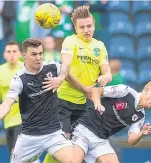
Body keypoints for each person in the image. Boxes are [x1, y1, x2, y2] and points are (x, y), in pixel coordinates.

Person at [0, 38, 78, 163]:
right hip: (29, 137)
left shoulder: (51, 67)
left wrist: (81, 87)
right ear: (24, 55)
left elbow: (66, 70)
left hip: (53, 133)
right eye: (34, 54)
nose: (38, 57)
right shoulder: (19, 79)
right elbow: (7, 103)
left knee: (73, 160)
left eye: (40, 53)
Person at [43, 5, 112, 163]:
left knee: (76, 147)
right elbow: (65, 66)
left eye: (89, 26)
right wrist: (79, 86)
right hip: (62, 101)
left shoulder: (99, 46)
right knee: (62, 144)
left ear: (94, 25)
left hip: (82, 104)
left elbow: (106, 70)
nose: (86, 30)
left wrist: (106, 76)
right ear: (75, 28)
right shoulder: (70, 41)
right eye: (82, 27)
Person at [71, 80, 151, 163]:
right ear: (147, 90)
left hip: (100, 139)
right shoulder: (126, 91)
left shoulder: (141, 116)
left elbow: (131, 140)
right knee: (73, 160)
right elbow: (96, 91)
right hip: (85, 127)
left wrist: (141, 133)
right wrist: (97, 104)